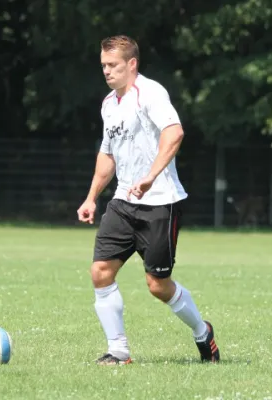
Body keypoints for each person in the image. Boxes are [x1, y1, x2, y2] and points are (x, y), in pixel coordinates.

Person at [77, 35, 220, 365]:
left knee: (157, 285)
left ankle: (203, 333)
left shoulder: (151, 93)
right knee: (100, 272)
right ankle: (119, 351)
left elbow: (175, 132)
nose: (107, 71)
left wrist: (151, 175)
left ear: (132, 64)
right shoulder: (109, 104)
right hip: (123, 202)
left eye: (112, 65)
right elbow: (107, 153)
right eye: (103, 66)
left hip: (160, 203)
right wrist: (91, 198)